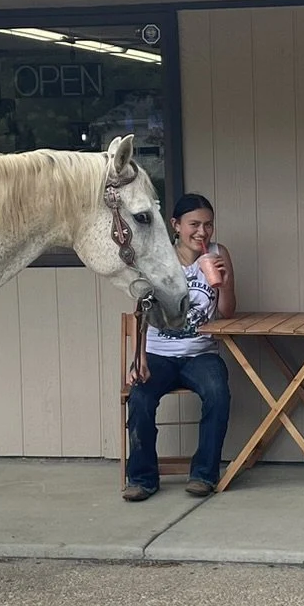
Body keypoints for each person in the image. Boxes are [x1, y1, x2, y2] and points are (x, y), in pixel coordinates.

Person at [124, 193, 235, 501]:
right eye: (194, 224)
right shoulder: (157, 259)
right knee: (140, 398)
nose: (202, 232)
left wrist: (223, 283)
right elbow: (140, 311)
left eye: (208, 225)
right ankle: (142, 478)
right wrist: (139, 359)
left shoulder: (217, 253)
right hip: (159, 354)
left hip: (201, 353)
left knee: (218, 393)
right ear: (175, 225)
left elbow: (227, 313)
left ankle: (204, 475)